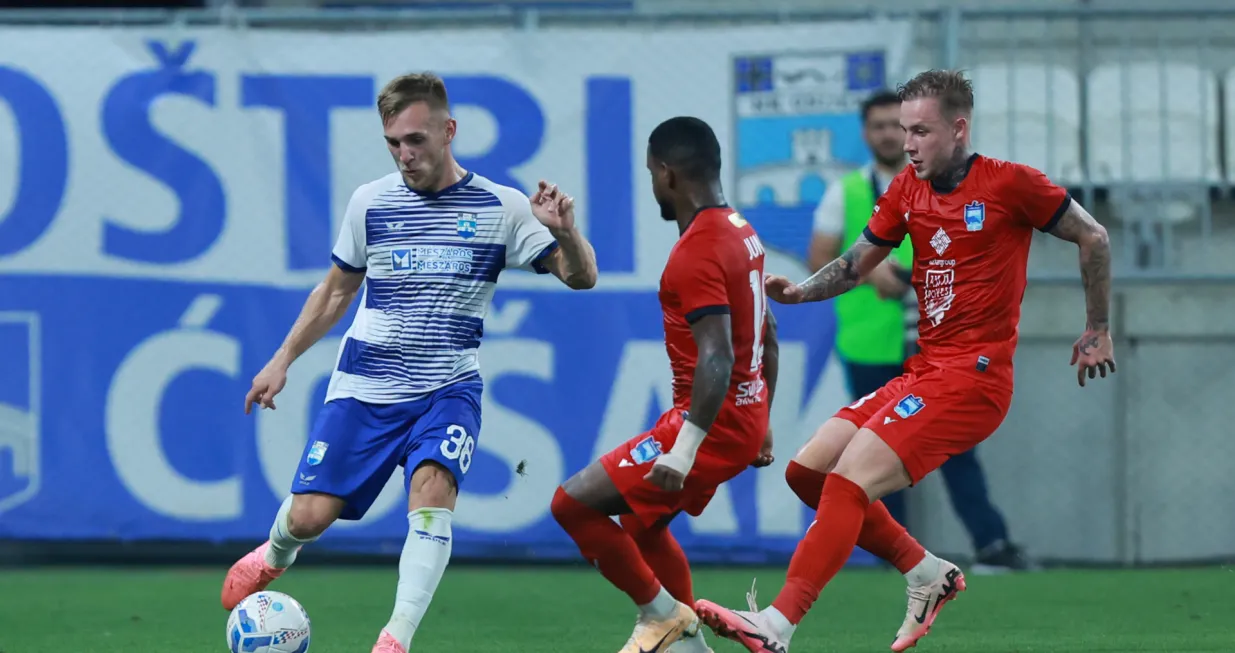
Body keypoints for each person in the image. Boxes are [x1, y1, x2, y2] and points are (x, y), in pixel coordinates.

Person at [695, 69, 1115, 653]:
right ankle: (925, 573)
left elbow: (1094, 236)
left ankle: (776, 626)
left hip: (975, 378)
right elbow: (855, 264)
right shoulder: (905, 191)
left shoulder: (1011, 184)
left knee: (848, 483)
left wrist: (1097, 327)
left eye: (919, 130)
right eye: (902, 130)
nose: (909, 143)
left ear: (959, 127)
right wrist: (800, 293)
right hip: (924, 368)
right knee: (806, 474)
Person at [219, 72, 599, 653]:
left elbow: (582, 278)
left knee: (433, 490)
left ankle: (394, 640)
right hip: (366, 387)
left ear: (449, 131)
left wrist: (566, 235)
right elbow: (336, 292)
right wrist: (282, 359)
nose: (405, 154)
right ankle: (275, 552)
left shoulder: (504, 207)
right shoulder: (371, 202)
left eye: (416, 140)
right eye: (394, 142)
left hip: (448, 388)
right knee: (311, 517)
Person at [550, 116, 777, 653]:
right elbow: (766, 330)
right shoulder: (742, 231)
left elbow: (718, 356)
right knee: (642, 526)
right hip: (740, 415)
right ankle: (690, 646)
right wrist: (763, 415)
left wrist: (683, 451)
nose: (652, 182)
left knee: (572, 505)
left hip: (710, 423)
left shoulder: (696, 250)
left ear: (668, 174)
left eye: (652, 172)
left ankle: (661, 617)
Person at [807, 89, 1030, 573]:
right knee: (869, 454)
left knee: (956, 450)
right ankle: (897, 557)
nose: (895, 136)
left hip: (942, 340)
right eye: (886, 127)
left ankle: (991, 545)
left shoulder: (955, 181)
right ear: (868, 134)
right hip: (872, 339)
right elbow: (821, 257)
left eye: (905, 127)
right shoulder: (844, 192)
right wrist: (869, 271)